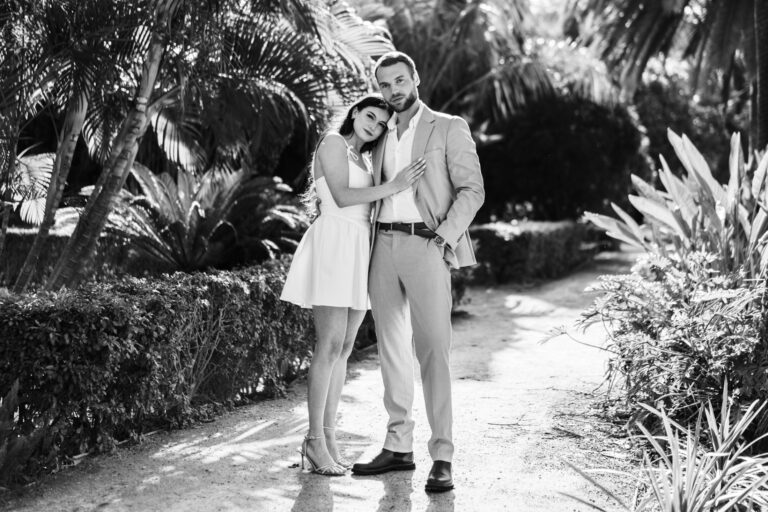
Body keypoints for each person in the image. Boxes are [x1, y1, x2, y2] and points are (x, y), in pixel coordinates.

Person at [350, 51, 485, 493]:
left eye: (400, 81)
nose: (393, 91)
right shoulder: (380, 132)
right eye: (385, 84)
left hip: (427, 244)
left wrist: (444, 237)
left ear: (416, 79)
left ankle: (442, 454)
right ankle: (398, 445)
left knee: (432, 351)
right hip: (382, 245)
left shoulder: (448, 126)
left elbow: (472, 190)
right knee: (390, 350)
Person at [280, 93, 427, 476]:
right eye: (370, 116)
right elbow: (343, 197)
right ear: (356, 112)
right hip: (334, 244)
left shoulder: (365, 158)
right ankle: (314, 440)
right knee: (328, 345)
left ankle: (327, 438)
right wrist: (394, 186)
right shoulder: (333, 143)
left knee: (345, 347)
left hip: (361, 248)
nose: (374, 125)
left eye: (381, 123)